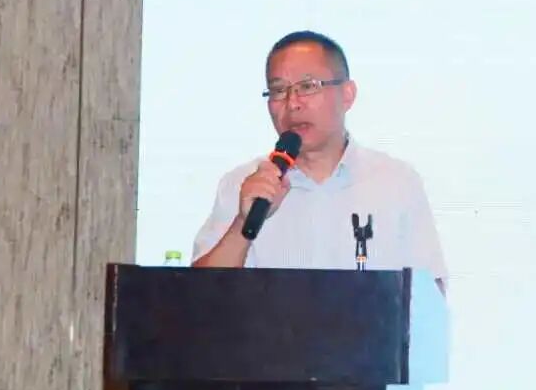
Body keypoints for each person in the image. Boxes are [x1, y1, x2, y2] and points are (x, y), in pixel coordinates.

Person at [191, 30, 448, 293]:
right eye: (278, 90)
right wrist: (242, 224)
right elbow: (197, 297)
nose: (292, 103)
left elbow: (430, 299)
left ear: (347, 95)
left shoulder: (396, 182)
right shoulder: (242, 185)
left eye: (307, 86)